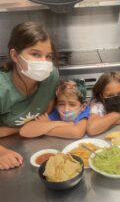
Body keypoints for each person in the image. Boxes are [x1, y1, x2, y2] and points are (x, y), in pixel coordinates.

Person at [0, 21, 59, 169]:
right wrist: (1, 153)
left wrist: (11, 130)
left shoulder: (51, 77)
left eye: (48, 56)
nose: (44, 63)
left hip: (37, 142)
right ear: (15, 55)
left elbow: (47, 110)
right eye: (35, 54)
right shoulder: (2, 89)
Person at [20, 79, 90, 138]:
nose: (66, 109)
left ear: (83, 106)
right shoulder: (56, 113)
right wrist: (61, 123)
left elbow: (76, 133)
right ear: (56, 105)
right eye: (61, 104)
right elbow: (24, 131)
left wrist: (44, 127)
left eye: (72, 104)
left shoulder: (84, 111)